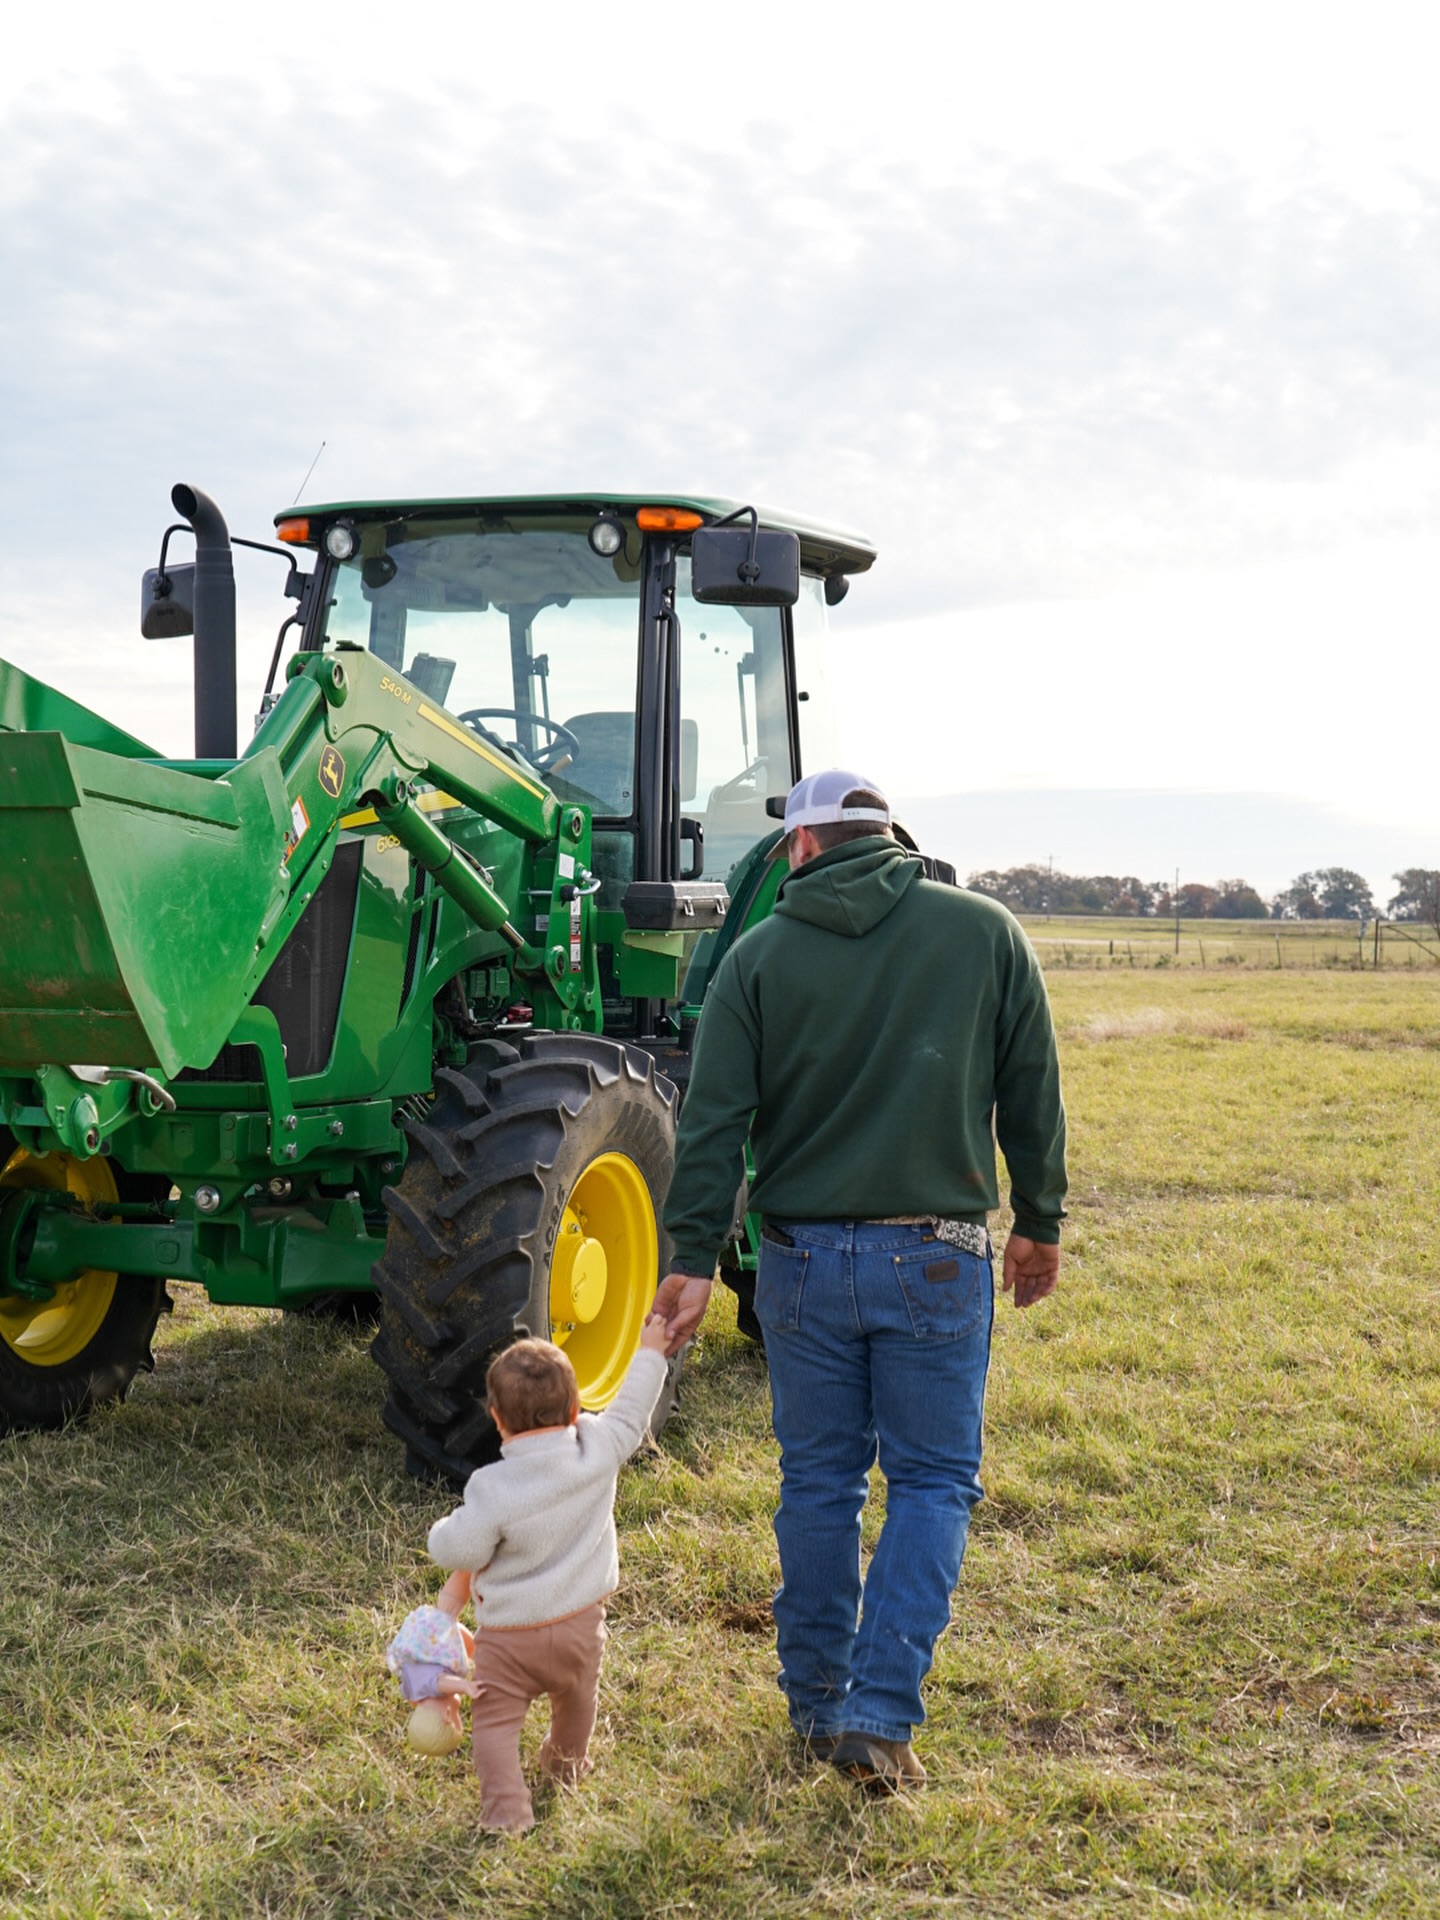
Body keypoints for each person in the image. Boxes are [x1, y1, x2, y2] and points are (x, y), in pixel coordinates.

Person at [653, 768, 1067, 1794]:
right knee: (931, 1482)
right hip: (937, 1253)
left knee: (818, 1484)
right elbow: (1033, 1087)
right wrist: (1040, 1220)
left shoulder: (755, 955)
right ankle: (878, 1718)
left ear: (799, 846)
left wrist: (691, 1259)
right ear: (892, 836)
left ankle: (815, 1706)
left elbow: (711, 1125)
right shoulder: (986, 931)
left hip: (799, 1263)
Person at [426, 1321, 670, 1831]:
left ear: (497, 1419)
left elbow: (462, 1549)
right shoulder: (598, 1448)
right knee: (577, 1704)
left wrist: (440, 1533)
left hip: (510, 1639)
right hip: (581, 1626)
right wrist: (650, 1351)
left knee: (494, 1726)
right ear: (576, 1409)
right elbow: (632, 1410)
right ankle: (566, 1768)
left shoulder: (492, 1486)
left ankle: (507, 1813)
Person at [385, 1583, 481, 1755]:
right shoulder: (414, 1695)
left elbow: (441, 1682)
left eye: (458, 1716)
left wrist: (465, 1686)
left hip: (433, 1635)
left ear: (447, 1715)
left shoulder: (433, 1689)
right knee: (469, 1647)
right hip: (419, 1641)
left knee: (451, 1603)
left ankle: (464, 1573)